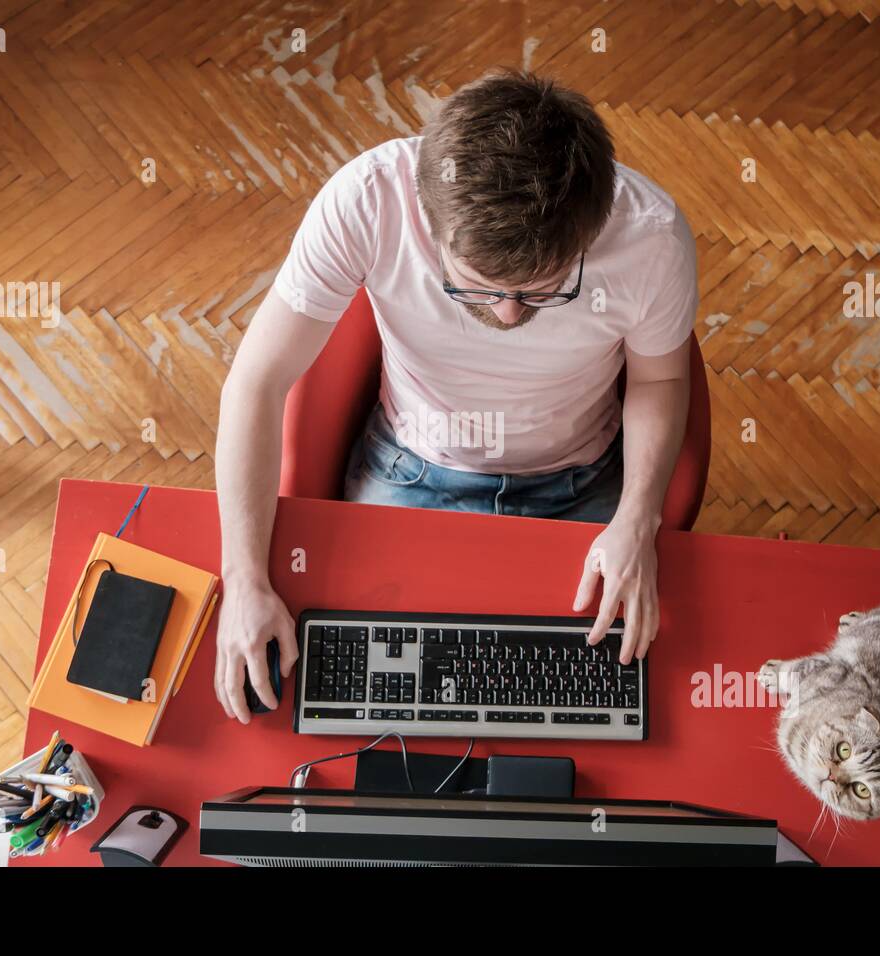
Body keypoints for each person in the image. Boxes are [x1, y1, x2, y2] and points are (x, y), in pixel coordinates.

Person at [214, 70, 698, 722]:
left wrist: (638, 519)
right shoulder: (368, 199)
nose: (504, 314)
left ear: (588, 234)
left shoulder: (650, 236)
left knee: (606, 698)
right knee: (356, 689)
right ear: (429, 220)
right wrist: (243, 582)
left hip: (581, 481)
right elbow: (256, 381)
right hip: (413, 465)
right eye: (475, 286)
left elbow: (660, 380)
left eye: (538, 291)